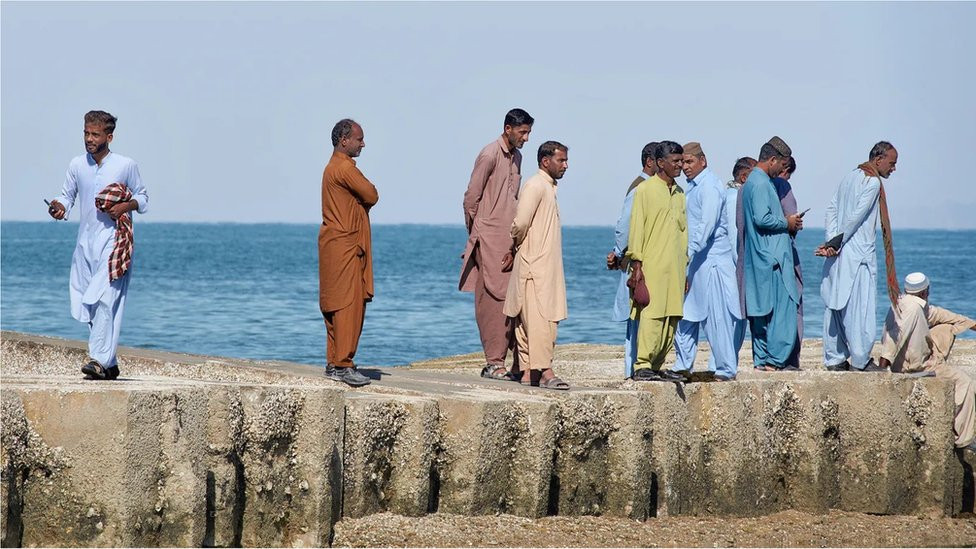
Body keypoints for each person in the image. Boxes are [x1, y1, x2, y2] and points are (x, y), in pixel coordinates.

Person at [47, 110, 149, 381]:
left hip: (115, 243)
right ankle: (110, 364)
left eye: (95, 134)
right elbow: (67, 196)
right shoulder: (77, 165)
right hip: (85, 244)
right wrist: (59, 207)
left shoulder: (125, 165)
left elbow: (143, 197)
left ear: (109, 136)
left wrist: (126, 206)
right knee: (87, 301)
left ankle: (98, 360)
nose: (89, 139)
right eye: (86, 133)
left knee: (105, 299)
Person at [460, 108, 534, 381]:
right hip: (488, 238)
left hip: (510, 239)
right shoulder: (490, 154)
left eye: (528, 132)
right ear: (508, 129)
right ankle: (494, 363)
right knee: (492, 299)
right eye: (522, 132)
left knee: (513, 298)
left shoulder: (517, 157)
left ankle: (515, 363)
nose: (526, 138)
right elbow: (471, 198)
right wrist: (478, 237)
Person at [817, 142, 898, 372]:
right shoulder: (872, 183)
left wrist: (832, 239)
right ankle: (861, 361)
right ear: (878, 159)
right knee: (859, 309)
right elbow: (855, 217)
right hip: (857, 255)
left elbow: (831, 209)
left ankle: (834, 358)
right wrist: (835, 242)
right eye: (892, 163)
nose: (893, 168)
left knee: (836, 305)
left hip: (840, 252)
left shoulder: (849, 176)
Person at [879, 273, 976, 449]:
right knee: (965, 382)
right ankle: (962, 438)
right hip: (915, 367)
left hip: (905, 362)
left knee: (946, 324)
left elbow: (942, 315)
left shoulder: (903, 302)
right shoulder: (914, 310)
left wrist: (971, 324)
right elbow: (896, 336)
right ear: (926, 291)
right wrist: (882, 367)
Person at [503, 141, 570, 390]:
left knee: (539, 320)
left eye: (565, 160)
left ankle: (529, 373)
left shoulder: (548, 187)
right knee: (539, 321)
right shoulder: (535, 185)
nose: (566, 165)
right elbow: (519, 224)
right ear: (545, 161)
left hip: (545, 266)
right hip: (534, 265)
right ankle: (545, 372)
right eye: (561, 160)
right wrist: (519, 247)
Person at [672, 143, 743, 381]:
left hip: (712, 263)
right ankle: (682, 365)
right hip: (695, 263)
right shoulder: (691, 188)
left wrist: (686, 254)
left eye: (689, 162)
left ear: (703, 160)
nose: (685, 167)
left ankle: (725, 369)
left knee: (717, 319)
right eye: (682, 163)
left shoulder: (710, 186)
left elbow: (706, 227)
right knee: (686, 316)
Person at [319, 119, 378, 387]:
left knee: (334, 303)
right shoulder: (344, 168)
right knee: (348, 304)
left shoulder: (332, 168)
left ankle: (334, 362)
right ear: (344, 140)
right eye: (359, 139)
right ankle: (343, 364)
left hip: (334, 243)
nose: (363, 143)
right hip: (346, 245)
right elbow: (372, 194)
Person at [626, 141, 688, 381]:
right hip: (652, 265)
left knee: (672, 316)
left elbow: (684, 233)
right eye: (676, 162)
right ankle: (642, 365)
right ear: (661, 163)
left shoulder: (680, 193)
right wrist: (637, 265)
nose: (680, 166)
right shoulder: (645, 190)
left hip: (676, 267)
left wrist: (686, 269)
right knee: (652, 314)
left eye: (682, 161)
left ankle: (657, 364)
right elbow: (637, 229)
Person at [741, 137, 803, 371]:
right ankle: (774, 360)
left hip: (762, 256)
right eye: (782, 165)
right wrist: (787, 223)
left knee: (761, 311)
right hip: (772, 257)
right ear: (773, 159)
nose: (783, 170)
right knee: (782, 310)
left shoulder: (754, 182)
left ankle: (763, 360)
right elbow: (761, 218)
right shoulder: (761, 184)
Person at [606, 141, 658, 379]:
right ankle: (632, 371)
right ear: (650, 162)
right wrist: (618, 253)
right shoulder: (640, 188)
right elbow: (624, 226)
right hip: (636, 263)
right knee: (636, 315)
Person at [771, 157, 804, 367]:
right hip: (784, 254)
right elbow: (793, 222)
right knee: (793, 304)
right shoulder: (782, 186)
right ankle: (790, 356)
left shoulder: (757, 186)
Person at [730, 156, 757, 354]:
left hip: (736, 267)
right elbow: (734, 238)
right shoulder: (734, 198)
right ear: (745, 177)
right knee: (735, 320)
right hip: (734, 268)